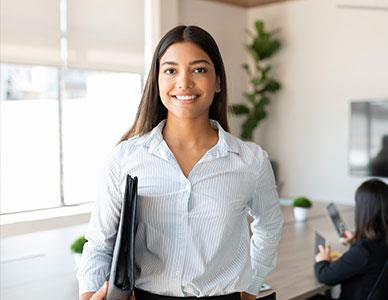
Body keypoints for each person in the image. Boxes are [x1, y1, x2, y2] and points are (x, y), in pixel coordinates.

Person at [77, 25, 283, 300]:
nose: (184, 82)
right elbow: (101, 242)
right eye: (171, 70)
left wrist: (251, 284)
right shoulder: (125, 158)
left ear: (218, 81)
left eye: (199, 69)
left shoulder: (250, 160)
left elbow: (269, 226)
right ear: (157, 81)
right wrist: (89, 294)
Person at [313, 179, 388, 300]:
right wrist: (355, 241)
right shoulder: (380, 241)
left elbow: (325, 276)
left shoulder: (363, 251)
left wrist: (322, 260)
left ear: (363, 210)